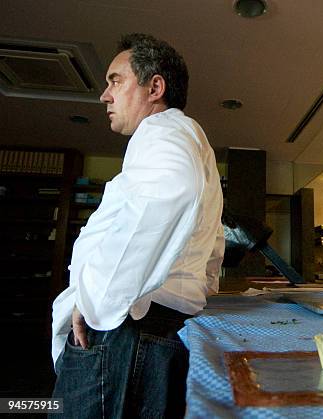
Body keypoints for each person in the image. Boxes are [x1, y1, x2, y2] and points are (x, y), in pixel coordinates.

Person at [50, 33, 224, 418]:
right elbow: (214, 238)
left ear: (155, 87)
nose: (104, 96)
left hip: (123, 331)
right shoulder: (189, 138)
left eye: (115, 80)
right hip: (150, 327)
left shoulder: (162, 131)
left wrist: (97, 298)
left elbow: (169, 194)